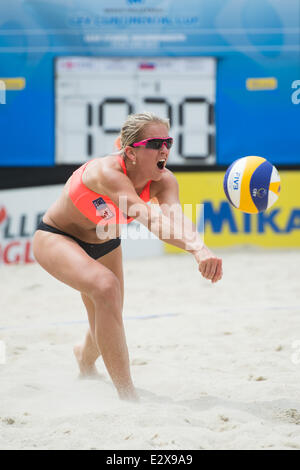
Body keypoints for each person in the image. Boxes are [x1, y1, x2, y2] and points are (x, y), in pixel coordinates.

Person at [33, 112, 222, 402]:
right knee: (106, 287)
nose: (164, 150)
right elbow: (149, 218)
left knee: (109, 310)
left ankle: (84, 358)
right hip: (57, 237)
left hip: (105, 239)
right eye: (156, 143)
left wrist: (202, 247)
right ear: (131, 152)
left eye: (167, 142)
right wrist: (195, 250)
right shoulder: (107, 173)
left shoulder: (164, 180)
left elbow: (176, 218)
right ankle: (127, 398)